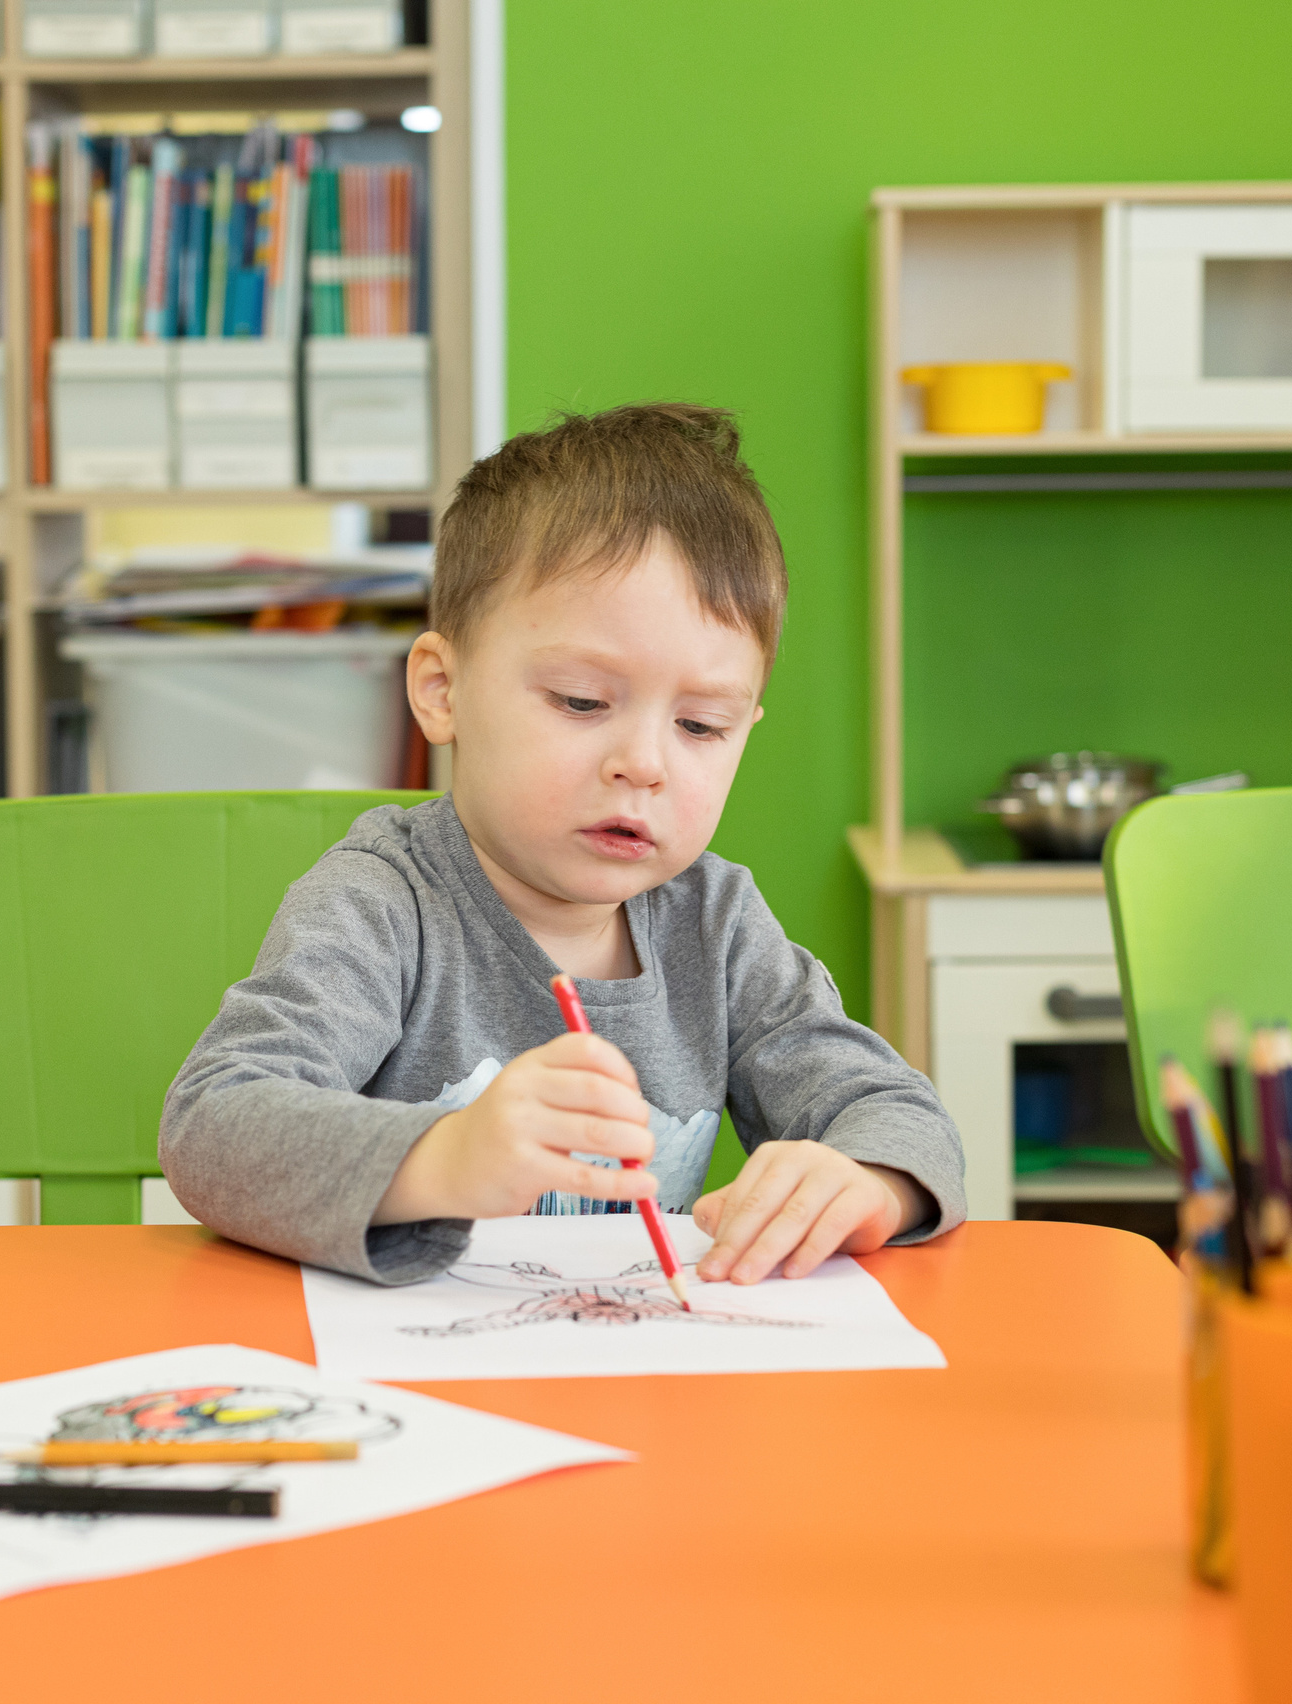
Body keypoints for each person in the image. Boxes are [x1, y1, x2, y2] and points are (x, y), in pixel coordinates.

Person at [161, 402, 966, 1286]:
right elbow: (213, 1123)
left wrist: (866, 1180)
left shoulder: (718, 924)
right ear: (442, 690)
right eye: (583, 701)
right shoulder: (383, 902)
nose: (643, 763)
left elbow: (895, 1110)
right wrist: (445, 1156)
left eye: (701, 725)